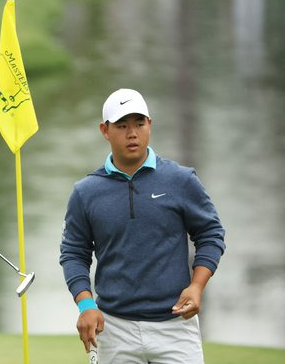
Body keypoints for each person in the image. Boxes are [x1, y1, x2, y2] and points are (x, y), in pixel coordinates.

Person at [59, 88, 226, 363]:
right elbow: (74, 253)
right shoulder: (86, 192)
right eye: (122, 125)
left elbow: (210, 233)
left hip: (175, 324)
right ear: (105, 130)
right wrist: (86, 304)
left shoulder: (180, 180)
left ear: (150, 125)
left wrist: (197, 285)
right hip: (113, 327)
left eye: (139, 123)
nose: (132, 133)